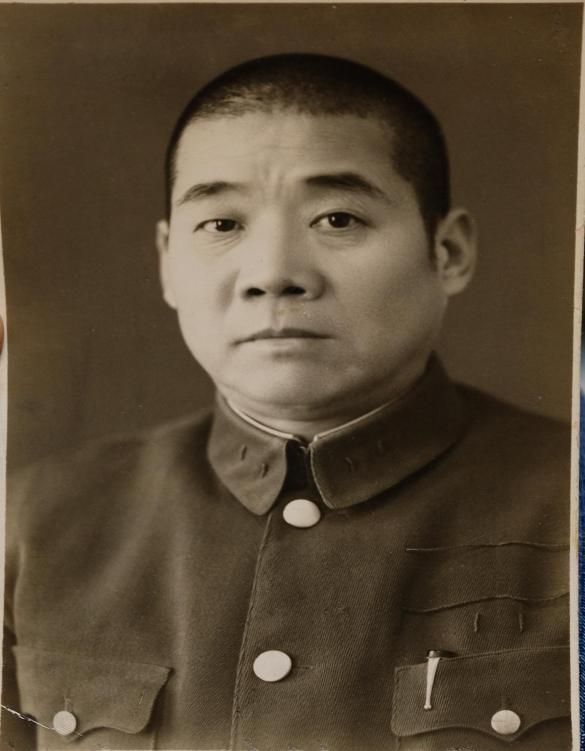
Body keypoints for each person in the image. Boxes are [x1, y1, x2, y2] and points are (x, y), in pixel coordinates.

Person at [1, 53, 571, 751]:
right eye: (221, 224)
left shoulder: (567, 499)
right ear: (167, 262)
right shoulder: (32, 526)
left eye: (337, 217)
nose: (273, 274)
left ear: (447, 251)